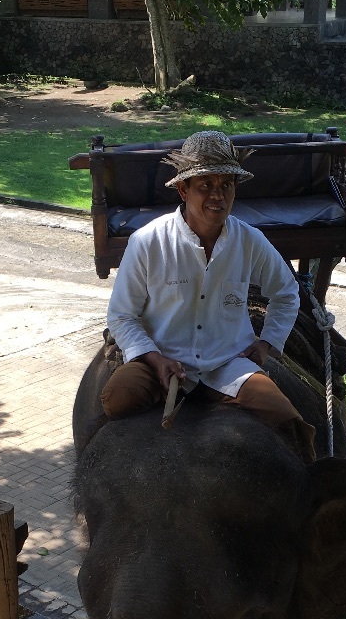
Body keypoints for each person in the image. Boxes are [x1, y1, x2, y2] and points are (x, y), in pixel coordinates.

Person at [102, 130, 317, 461]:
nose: (218, 195)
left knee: (287, 421)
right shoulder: (148, 241)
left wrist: (267, 343)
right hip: (163, 360)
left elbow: (286, 293)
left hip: (227, 364)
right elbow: (121, 315)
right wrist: (155, 359)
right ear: (184, 190)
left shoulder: (250, 240)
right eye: (206, 185)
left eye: (226, 185)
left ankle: (314, 486)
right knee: (118, 397)